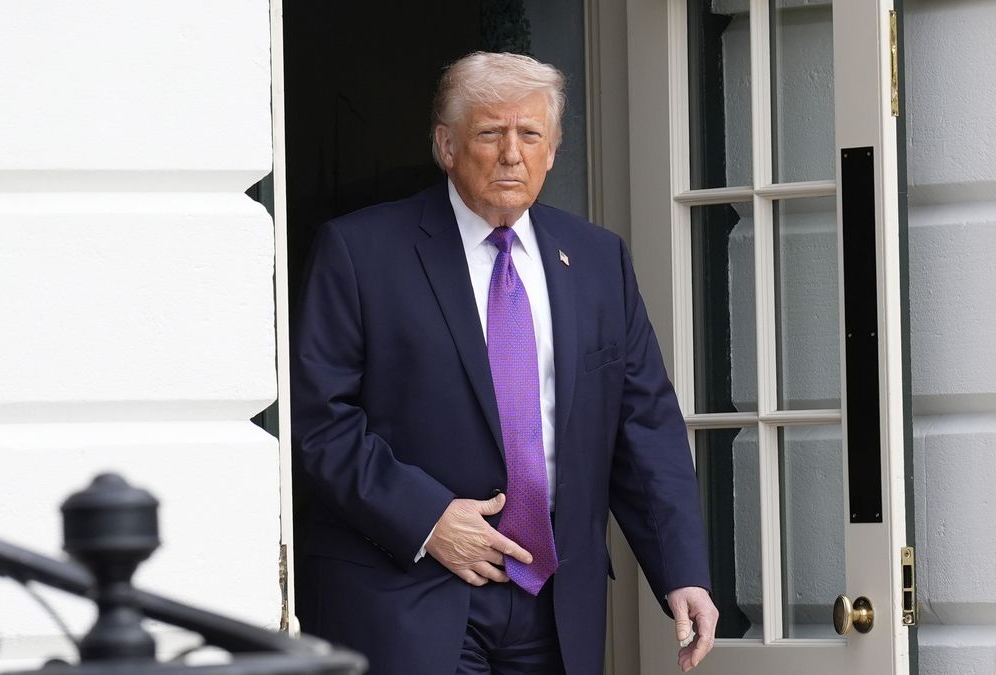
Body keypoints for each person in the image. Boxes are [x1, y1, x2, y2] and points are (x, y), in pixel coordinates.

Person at [292, 51, 717, 675]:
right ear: (446, 145)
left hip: (555, 601)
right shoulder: (359, 251)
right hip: (411, 587)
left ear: (553, 149)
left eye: (530, 135)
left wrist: (682, 572)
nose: (512, 154)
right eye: (490, 133)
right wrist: (427, 518)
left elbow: (643, 424)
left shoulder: (599, 260)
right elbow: (318, 421)